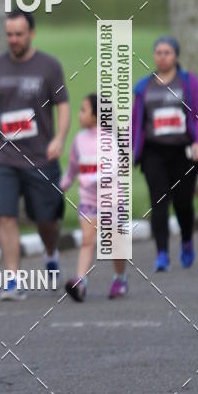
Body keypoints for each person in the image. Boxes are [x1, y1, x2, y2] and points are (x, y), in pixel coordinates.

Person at [0, 9, 70, 301]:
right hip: (3, 157)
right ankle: (13, 279)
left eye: (19, 34)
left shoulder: (49, 66)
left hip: (41, 157)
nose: (13, 39)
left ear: (31, 34)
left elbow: (63, 105)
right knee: (5, 215)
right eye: (9, 34)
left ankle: (51, 254)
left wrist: (60, 138)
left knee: (47, 220)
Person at [132, 35, 198, 272]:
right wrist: (130, 152)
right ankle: (161, 253)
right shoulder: (144, 86)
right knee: (159, 202)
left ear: (175, 55)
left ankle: (186, 241)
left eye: (167, 53)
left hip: (183, 152)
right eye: (158, 52)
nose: (162, 57)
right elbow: (136, 123)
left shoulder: (188, 82)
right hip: (154, 152)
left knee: (183, 203)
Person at [60, 94, 128, 301]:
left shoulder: (112, 140)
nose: (79, 114)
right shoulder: (79, 139)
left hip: (112, 201)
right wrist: (62, 185)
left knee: (114, 243)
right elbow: (73, 168)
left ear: (97, 115)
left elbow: (115, 169)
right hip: (88, 201)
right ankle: (81, 282)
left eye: (83, 110)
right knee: (87, 240)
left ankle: (120, 278)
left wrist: (90, 179)